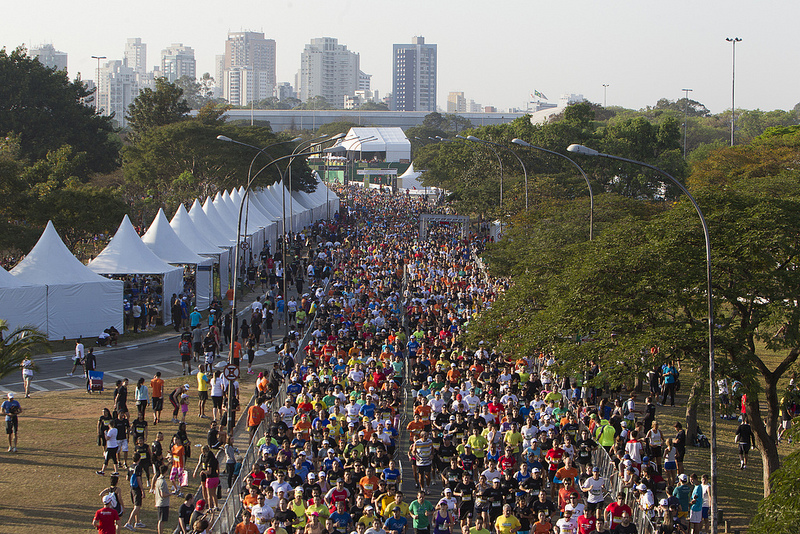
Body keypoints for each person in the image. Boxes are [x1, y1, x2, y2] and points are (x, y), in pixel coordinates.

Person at [155, 465, 171, 534]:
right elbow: (163, 494)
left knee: (161, 520)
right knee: (161, 520)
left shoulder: (158, 480)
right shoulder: (162, 482)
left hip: (159, 502)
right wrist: (170, 494)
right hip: (163, 503)